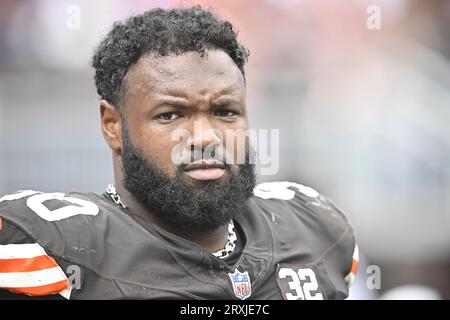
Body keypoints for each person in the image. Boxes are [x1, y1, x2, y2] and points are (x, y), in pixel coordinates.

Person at [0, 6, 357, 300]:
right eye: (170, 115)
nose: (204, 138)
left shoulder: (315, 230)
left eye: (225, 112)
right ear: (113, 125)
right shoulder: (47, 248)